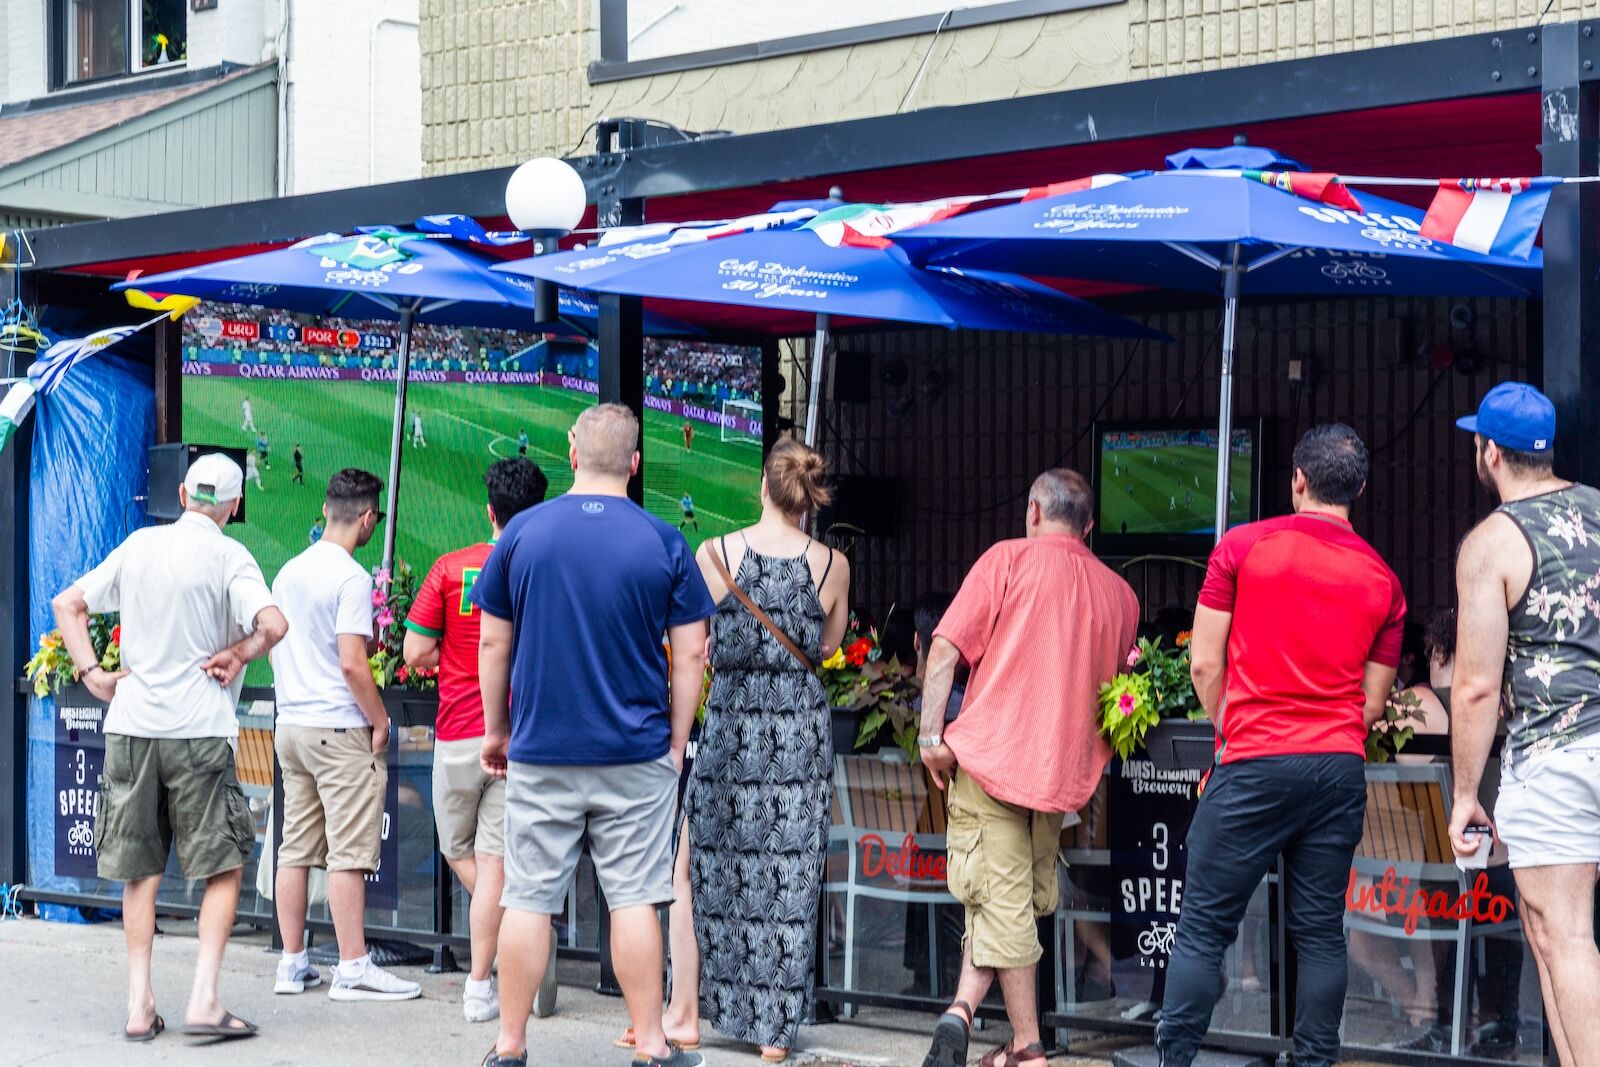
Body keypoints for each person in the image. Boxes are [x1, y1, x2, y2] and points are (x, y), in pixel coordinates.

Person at [1156, 424, 1406, 1067]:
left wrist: (1234, 727)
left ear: (1297, 479)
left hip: (1254, 760)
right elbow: (1372, 705)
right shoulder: (1384, 581)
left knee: (1204, 928)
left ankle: (1174, 1059)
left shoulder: (1241, 547)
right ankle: (1315, 1061)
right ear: (1361, 489)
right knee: (1322, 933)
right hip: (1336, 768)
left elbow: (1204, 666)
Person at [475, 404, 713, 1067]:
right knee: (635, 896)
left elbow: (493, 640)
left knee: (527, 896)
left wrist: (496, 729)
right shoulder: (663, 539)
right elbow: (691, 654)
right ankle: (653, 1044)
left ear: (572, 454)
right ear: (635, 464)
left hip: (542, 745)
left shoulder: (523, 532)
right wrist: (676, 741)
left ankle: (510, 1044)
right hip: (635, 750)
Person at [52, 454, 287, 1043]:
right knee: (224, 866)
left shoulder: (139, 546)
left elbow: (67, 604)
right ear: (234, 506)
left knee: (140, 871)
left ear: (182, 493)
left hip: (132, 726)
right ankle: (204, 998)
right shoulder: (231, 554)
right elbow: (274, 624)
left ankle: (139, 1006)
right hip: (200, 730)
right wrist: (241, 652)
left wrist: (92, 673)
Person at [919, 468, 1139, 1067]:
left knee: (1001, 902)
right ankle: (971, 1015)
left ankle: (1027, 1047)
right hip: (1060, 779)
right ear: (1090, 527)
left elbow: (944, 649)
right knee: (1009, 902)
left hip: (990, 760)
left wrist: (930, 736)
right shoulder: (1122, 596)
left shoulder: (1005, 560)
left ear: (1034, 513)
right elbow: (1120, 682)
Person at [663, 438, 850, 1063]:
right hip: (797, 729)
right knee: (790, 878)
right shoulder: (831, 565)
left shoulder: (714, 553)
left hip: (730, 726)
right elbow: (828, 645)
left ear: (762, 488)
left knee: (697, 867)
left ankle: (686, 1013)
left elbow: (691, 645)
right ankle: (774, 1031)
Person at [1450, 382, 1600, 1067]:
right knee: (1545, 929)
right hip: (1579, 749)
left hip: (1558, 752)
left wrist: (1463, 795)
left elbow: (1477, 687)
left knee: (1563, 932)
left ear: (1489, 452)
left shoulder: (1493, 542)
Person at [403, 458, 550, 1024]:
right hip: (520, 733)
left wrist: (457, 662)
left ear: (490, 511)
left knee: (460, 852)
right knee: (495, 866)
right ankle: (511, 945)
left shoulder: (450, 568)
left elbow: (415, 652)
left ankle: (484, 978)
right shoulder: (544, 569)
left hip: (460, 731)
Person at [270, 469, 421, 1004]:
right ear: (367, 518)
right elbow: (354, 665)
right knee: (348, 855)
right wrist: (380, 720)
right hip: (335, 726)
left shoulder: (289, 570)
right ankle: (353, 966)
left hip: (291, 725)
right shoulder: (352, 577)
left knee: (295, 849)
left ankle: (292, 963)